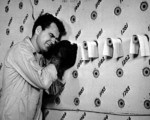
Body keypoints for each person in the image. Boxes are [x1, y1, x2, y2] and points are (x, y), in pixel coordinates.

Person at [0, 13, 66, 120]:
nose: (54, 42)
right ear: (38, 30)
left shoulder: (40, 58)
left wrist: (60, 65)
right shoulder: (20, 51)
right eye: (51, 35)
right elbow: (44, 81)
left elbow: (53, 89)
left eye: (56, 40)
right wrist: (57, 59)